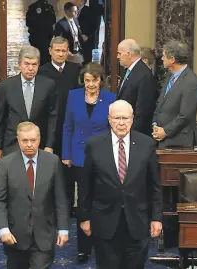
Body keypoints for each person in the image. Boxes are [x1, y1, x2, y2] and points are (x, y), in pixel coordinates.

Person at [79, 100, 163, 269]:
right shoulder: (94, 145)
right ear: (109, 119)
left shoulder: (147, 144)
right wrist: (84, 217)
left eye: (125, 118)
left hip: (137, 220)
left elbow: (154, 185)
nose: (121, 123)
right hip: (104, 220)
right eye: (117, 118)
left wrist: (156, 218)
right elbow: (85, 185)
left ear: (132, 119)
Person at [0, 122, 69, 269]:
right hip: (15, 236)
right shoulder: (6, 164)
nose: (29, 144)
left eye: (32, 140)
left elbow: (60, 198)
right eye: (24, 141)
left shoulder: (52, 162)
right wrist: (3, 229)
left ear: (39, 140)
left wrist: (63, 228)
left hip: (44, 234)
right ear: (18, 140)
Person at [62, 62, 115, 263]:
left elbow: (113, 130)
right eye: (87, 80)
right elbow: (67, 127)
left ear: (101, 80)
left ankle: (102, 244)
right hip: (79, 156)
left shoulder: (111, 99)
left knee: (101, 200)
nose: (90, 84)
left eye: (94, 80)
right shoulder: (73, 96)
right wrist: (66, 153)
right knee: (83, 202)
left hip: (102, 157)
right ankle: (83, 248)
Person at [0, 46, 57, 159]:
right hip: (12, 143)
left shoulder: (48, 85)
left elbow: (52, 116)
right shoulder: (6, 86)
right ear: (19, 64)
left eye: (34, 64)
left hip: (39, 144)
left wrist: (49, 145)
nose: (30, 68)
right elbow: (0, 118)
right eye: (26, 64)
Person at [152, 40, 197, 148]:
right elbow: (160, 103)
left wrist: (165, 131)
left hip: (178, 142)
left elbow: (185, 115)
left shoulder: (191, 82)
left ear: (172, 59)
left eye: (164, 56)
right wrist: (155, 124)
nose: (162, 58)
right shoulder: (170, 76)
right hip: (160, 139)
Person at [38, 36, 81, 157]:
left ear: (68, 51)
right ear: (50, 51)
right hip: (49, 122)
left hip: (70, 120)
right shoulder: (42, 72)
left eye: (64, 51)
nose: (61, 54)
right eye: (57, 50)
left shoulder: (76, 69)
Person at [117, 39, 158, 136]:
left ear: (129, 54)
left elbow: (143, 110)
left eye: (119, 53)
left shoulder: (144, 74)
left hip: (135, 133)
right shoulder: (128, 71)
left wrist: (132, 134)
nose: (117, 57)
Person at [26, 0, 56, 65]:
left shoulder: (32, 7)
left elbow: (28, 23)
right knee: (44, 56)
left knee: (37, 55)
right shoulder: (49, 7)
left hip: (37, 37)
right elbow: (53, 21)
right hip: (43, 37)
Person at [72, 0, 101, 64]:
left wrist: (87, 35)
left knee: (85, 63)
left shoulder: (90, 11)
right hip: (74, 43)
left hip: (86, 42)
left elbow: (94, 25)